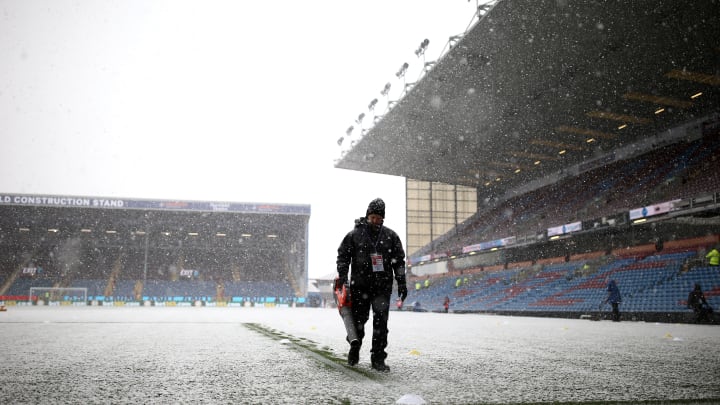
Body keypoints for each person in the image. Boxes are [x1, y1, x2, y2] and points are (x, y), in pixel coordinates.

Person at [336, 198, 407, 372]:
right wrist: (344, 277)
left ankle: (378, 358)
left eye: (379, 217)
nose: (375, 220)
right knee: (359, 320)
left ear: (383, 218)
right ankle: (355, 346)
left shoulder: (391, 236)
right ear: (368, 215)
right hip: (360, 286)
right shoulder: (355, 235)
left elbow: (398, 262)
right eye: (373, 217)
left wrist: (402, 282)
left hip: (382, 288)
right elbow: (343, 256)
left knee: (381, 324)